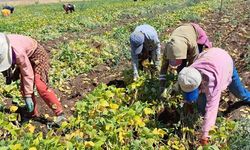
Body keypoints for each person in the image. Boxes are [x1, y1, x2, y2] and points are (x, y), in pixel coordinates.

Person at [177, 48, 250, 145]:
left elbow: (212, 109)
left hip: (225, 63)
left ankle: (248, 98)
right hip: (209, 55)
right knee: (201, 106)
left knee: (240, 93)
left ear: (200, 84)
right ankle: (202, 118)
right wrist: (187, 103)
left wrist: (205, 135)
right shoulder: (187, 74)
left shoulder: (212, 84)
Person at [0, 33, 65, 124]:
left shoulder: (18, 53)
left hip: (37, 54)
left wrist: (28, 96)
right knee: (24, 88)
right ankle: (32, 114)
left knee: (40, 85)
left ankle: (60, 114)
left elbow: (27, 74)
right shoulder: (2, 45)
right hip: (25, 56)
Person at [159, 23, 212, 94]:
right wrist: (161, 85)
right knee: (180, 68)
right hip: (182, 35)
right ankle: (180, 83)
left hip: (196, 34)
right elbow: (164, 67)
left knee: (193, 70)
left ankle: (193, 89)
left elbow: (193, 65)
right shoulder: (168, 49)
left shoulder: (192, 45)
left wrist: (188, 79)